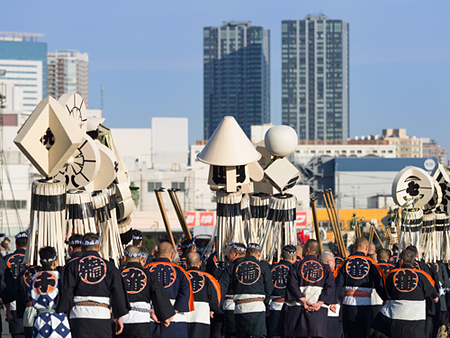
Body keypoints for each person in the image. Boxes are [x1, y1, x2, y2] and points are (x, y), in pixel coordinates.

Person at [57, 233, 130, 338]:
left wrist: (63, 312)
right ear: (99, 248)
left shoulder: (72, 266)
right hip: (102, 316)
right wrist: (119, 317)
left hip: (78, 316)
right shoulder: (109, 266)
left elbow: (66, 292)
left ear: (82, 248)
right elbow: (118, 292)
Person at [371, 248, 438, 338]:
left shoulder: (391, 274)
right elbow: (430, 292)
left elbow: (387, 293)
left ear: (401, 261)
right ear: (413, 261)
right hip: (416, 320)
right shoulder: (423, 275)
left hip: (396, 319)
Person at [280, 239, 336, 338]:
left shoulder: (296, 266)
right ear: (318, 252)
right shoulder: (325, 268)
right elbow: (330, 287)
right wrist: (320, 302)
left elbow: (292, 285)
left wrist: (303, 300)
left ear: (307, 250)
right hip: (318, 311)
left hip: (297, 309)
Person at [335, 237, 386, 338]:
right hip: (365, 304)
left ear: (354, 247)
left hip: (348, 303)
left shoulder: (345, 262)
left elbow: (337, 284)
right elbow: (379, 283)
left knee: (348, 333)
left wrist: (333, 301)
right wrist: (385, 298)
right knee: (362, 333)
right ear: (367, 247)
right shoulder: (372, 263)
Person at [119, 245, 175, 338]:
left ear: (125, 258)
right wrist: (164, 317)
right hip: (141, 322)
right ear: (140, 257)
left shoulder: (117, 274)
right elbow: (158, 295)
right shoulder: (149, 276)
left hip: (121, 320)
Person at [144, 242, 194, 338]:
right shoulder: (181, 271)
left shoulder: (146, 269)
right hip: (176, 321)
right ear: (172, 254)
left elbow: (142, 294)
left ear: (157, 253)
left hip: (152, 319)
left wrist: (152, 312)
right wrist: (169, 316)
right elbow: (185, 295)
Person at [229, 243, 273, 338]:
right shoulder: (263, 267)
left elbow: (224, 286)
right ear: (259, 253)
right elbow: (269, 288)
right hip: (257, 307)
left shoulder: (234, 267)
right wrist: (265, 302)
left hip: (239, 307)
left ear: (246, 253)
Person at [29, 246, 71, 338]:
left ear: (40, 262)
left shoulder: (34, 277)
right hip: (58, 318)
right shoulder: (60, 276)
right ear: (55, 262)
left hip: (39, 319)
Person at [185, 252, 221, 338]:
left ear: (186, 264)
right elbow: (216, 299)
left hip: (182, 317)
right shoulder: (208, 278)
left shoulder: (181, 275)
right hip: (201, 317)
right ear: (200, 263)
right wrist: (214, 310)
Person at [218, 243, 247, 338]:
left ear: (236, 254)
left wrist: (217, 306)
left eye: (230, 252)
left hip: (231, 305)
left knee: (231, 334)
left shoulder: (230, 268)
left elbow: (222, 288)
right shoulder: (251, 268)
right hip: (249, 306)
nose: (228, 255)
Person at [268, 245, 297, 338]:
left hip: (273, 306)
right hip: (291, 307)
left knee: (274, 334)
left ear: (281, 255)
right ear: (294, 257)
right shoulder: (296, 269)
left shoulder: (270, 268)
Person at [4, 231, 29, 338]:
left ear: (16, 244)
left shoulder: (6, 259)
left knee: (17, 334)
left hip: (13, 301)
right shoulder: (32, 259)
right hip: (30, 301)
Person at [321, 251, 343, 338]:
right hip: (333, 311)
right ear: (329, 262)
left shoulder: (317, 273)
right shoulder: (335, 274)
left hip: (317, 311)